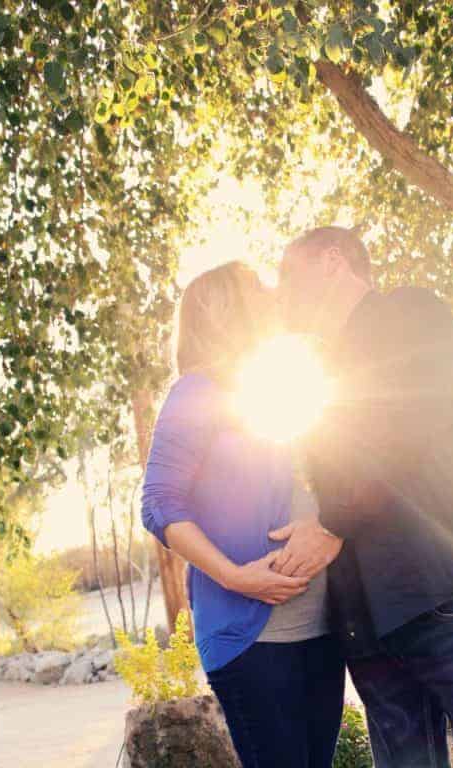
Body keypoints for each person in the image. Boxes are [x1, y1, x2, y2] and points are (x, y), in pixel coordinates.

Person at [272, 226, 453, 768]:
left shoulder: (412, 313)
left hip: (449, 597)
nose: (279, 293)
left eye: (287, 275)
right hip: (371, 625)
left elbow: (405, 424)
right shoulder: (319, 376)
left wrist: (330, 523)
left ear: (332, 261)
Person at [141, 261, 345, 768]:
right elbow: (159, 504)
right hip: (251, 638)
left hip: (320, 628)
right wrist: (234, 577)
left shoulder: (280, 386)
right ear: (224, 308)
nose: (274, 291)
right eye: (257, 286)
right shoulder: (194, 393)